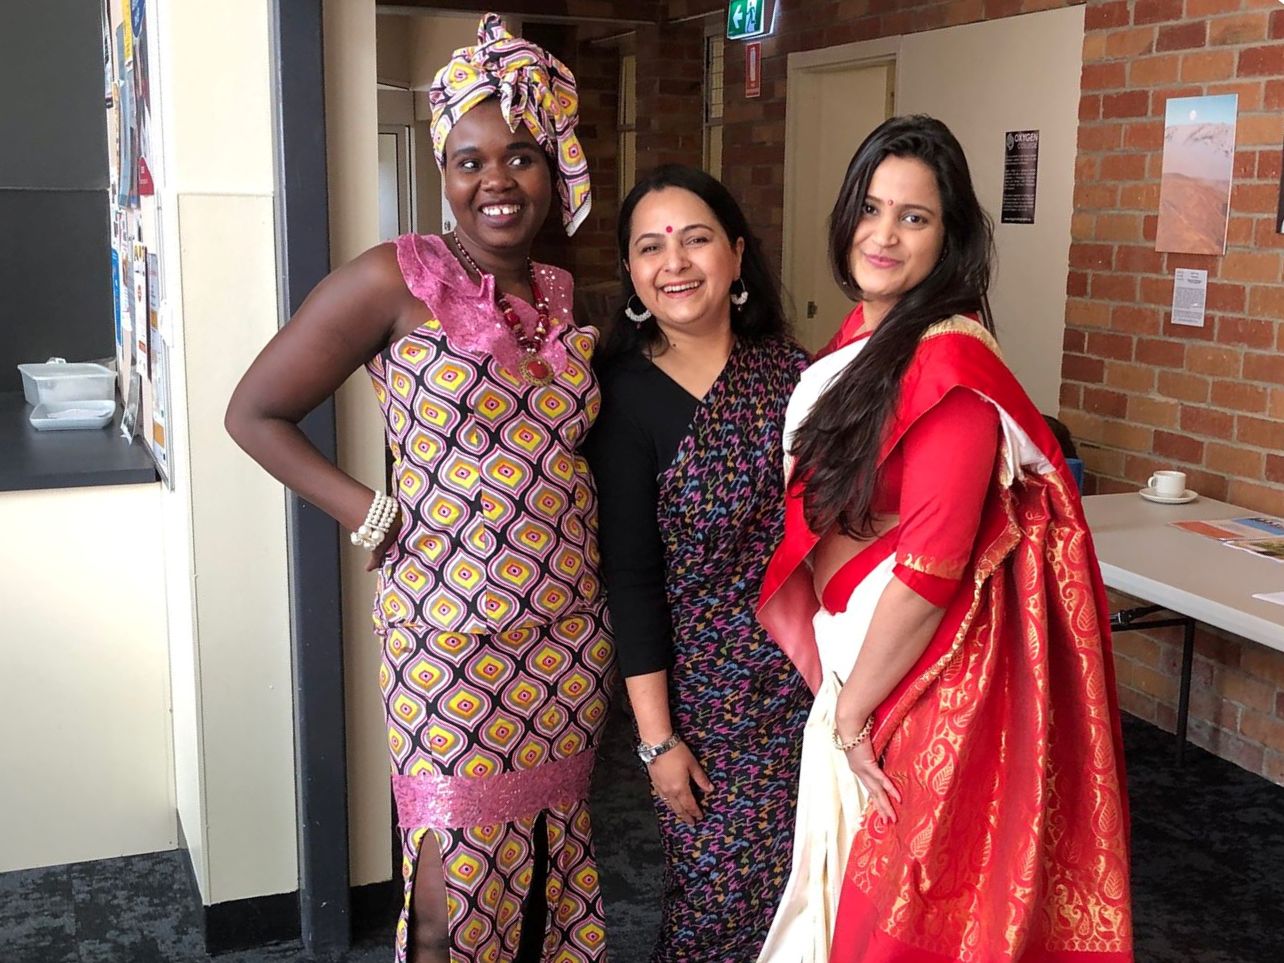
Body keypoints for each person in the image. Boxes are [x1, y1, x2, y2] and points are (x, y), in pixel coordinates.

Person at [225, 15, 612, 963]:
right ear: (442, 169)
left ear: (553, 167)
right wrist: (370, 511)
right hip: (446, 640)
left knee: (549, 868)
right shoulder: (392, 280)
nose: (496, 181)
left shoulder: (566, 293)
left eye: (521, 156)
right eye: (470, 159)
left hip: (569, 634)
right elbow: (254, 413)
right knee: (447, 893)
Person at [757, 115, 1134, 962]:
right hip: (867, 664)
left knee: (890, 911)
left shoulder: (951, 373)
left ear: (950, 236)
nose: (883, 234)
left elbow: (929, 574)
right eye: (871, 207)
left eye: (914, 217)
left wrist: (852, 719)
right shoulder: (869, 333)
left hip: (917, 689)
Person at [587, 165, 811, 961]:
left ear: (738, 254)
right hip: (708, 707)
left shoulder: (796, 377)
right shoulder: (622, 399)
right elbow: (633, 579)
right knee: (718, 904)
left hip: (814, 685)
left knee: (813, 893)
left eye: (696, 238)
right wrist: (657, 744)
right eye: (651, 247)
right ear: (634, 275)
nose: (675, 261)